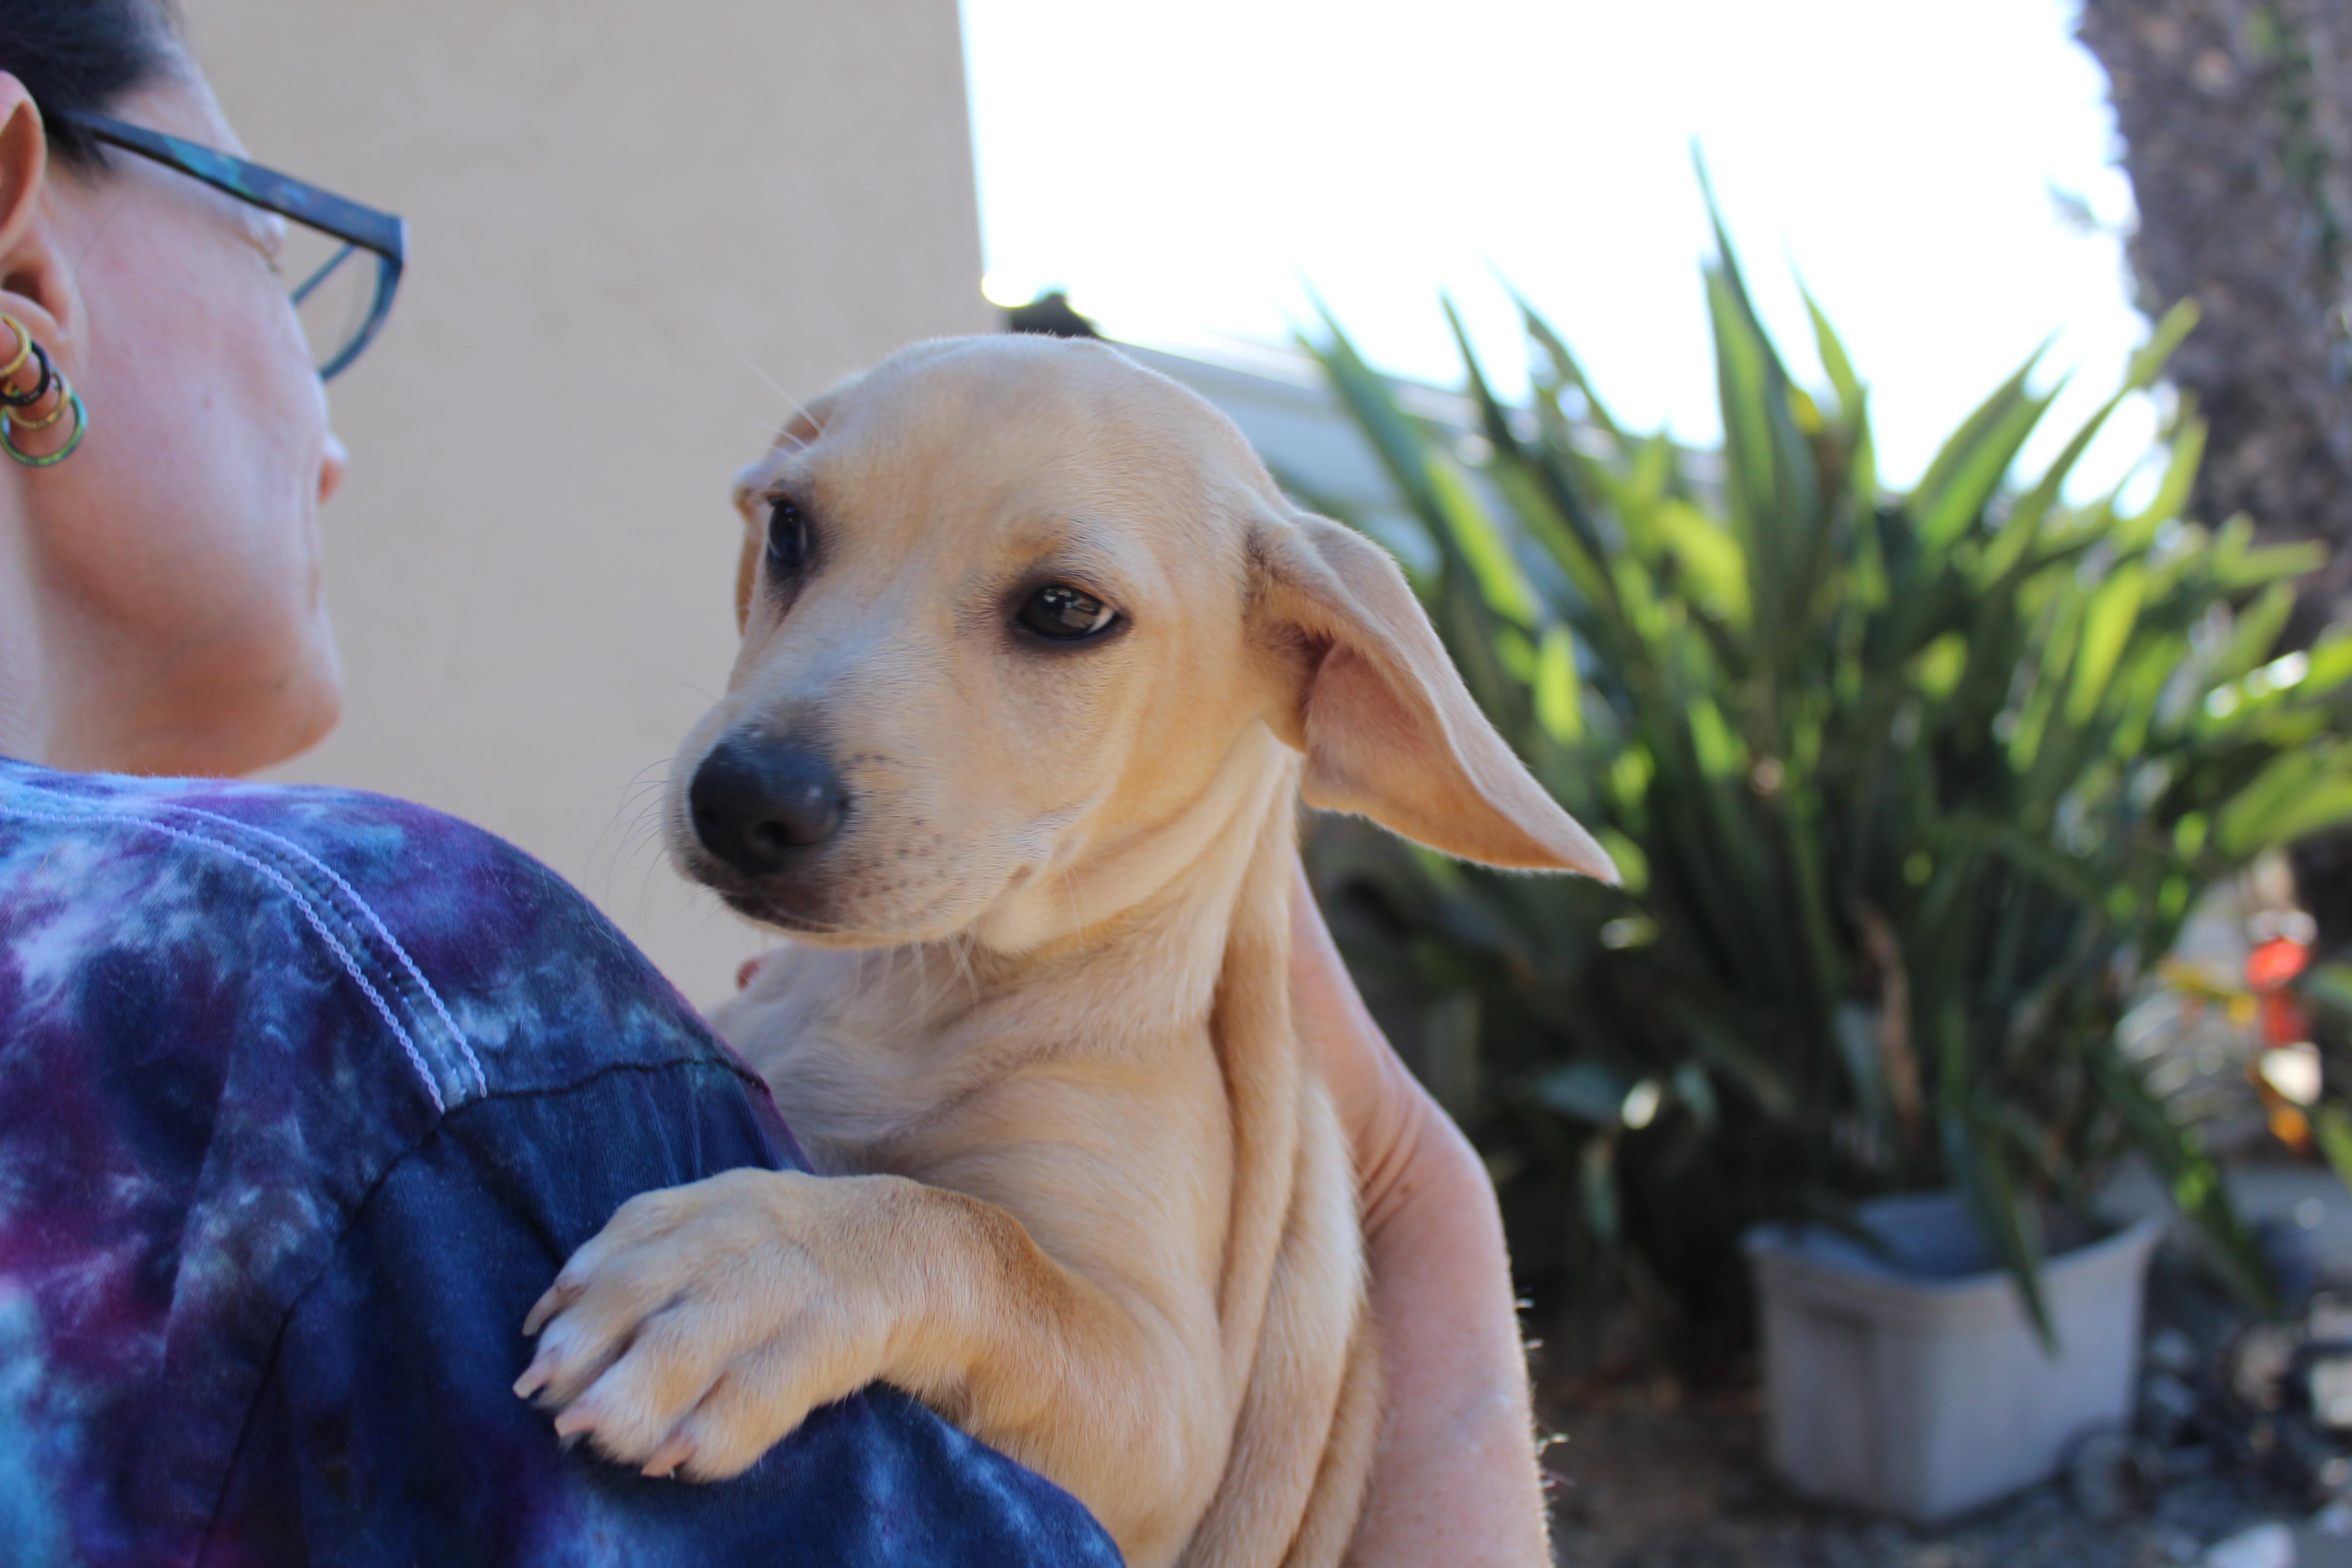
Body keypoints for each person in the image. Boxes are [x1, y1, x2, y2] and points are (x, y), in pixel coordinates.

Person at [0, 3, 1552, 1564]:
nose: (795, 727)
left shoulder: (1128, 1070)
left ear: (1321, 674)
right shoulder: (348, 988)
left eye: (1058, 616)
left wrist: (905, 1261)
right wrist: (1433, 1210)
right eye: (803, 543)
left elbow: (1149, 1444)